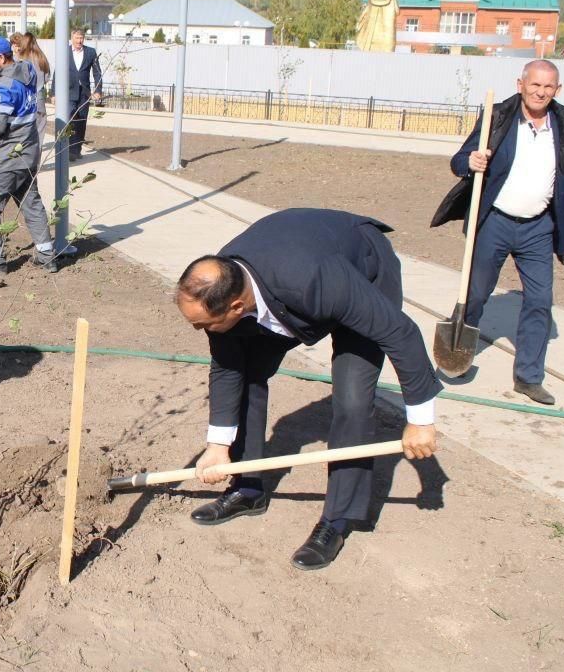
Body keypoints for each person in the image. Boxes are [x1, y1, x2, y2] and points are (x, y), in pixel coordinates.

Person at [176, 208, 440, 570]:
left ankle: (336, 521)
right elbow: (227, 368)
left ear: (236, 306)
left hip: (360, 268)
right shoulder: (222, 285)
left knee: (352, 400)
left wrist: (421, 420)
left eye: (202, 325)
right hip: (290, 282)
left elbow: (400, 333)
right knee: (248, 373)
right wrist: (217, 446)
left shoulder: (312, 281)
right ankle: (248, 488)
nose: (198, 330)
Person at [431, 60, 564, 405]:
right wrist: (471, 162)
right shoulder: (497, 117)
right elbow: (458, 160)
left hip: (539, 227)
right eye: (535, 85)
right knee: (475, 294)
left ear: (557, 90)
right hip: (495, 222)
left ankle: (529, 377)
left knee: (540, 301)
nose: (541, 92)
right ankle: (458, 358)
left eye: (548, 87)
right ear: (521, 84)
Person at [0, 35, 58, 275]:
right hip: (27, 152)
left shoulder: (4, 86)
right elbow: (12, 101)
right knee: (31, 203)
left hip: (7, 157)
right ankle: (47, 255)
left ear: (0, 57)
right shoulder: (25, 72)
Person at [52, 28, 102, 161]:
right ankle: (68, 149)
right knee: (68, 119)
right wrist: (54, 93)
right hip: (68, 92)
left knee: (81, 122)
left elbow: (97, 73)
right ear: (72, 38)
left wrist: (97, 90)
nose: (79, 41)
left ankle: (76, 149)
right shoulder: (64, 52)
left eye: (81, 38)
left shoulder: (91, 52)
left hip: (84, 93)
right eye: (77, 38)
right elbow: (57, 73)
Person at [11, 31, 51, 151]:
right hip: (39, 102)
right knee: (39, 134)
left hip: (22, 103)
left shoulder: (18, 59)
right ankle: (35, 165)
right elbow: (47, 77)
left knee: (21, 137)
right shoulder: (42, 59)